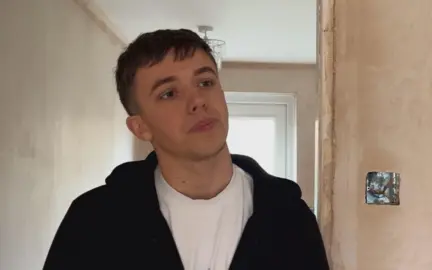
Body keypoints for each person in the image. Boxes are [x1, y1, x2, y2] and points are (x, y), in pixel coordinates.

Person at [43, 29, 330, 270]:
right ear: (140, 127)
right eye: (169, 93)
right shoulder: (94, 221)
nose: (198, 101)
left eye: (205, 82)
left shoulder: (289, 217)